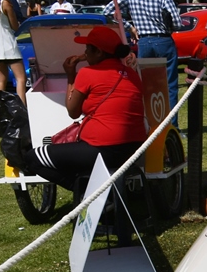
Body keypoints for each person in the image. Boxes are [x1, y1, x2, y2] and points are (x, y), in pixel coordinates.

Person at [21, 26, 145, 194]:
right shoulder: (131, 74)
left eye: (88, 49)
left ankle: (86, 191)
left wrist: (70, 75)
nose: (85, 54)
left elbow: (72, 111)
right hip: (134, 148)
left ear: (99, 52)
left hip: (102, 149)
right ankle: (96, 190)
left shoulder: (87, 73)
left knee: (32, 158)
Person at [105, 0, 181, 127]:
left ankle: (149, 123)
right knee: (170, 86)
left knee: (145, 86)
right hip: (163, 41)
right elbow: (176, 21)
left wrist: (128, 26)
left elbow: (108, 12)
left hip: (143, 41)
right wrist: (169, 26)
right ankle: (171, 126)